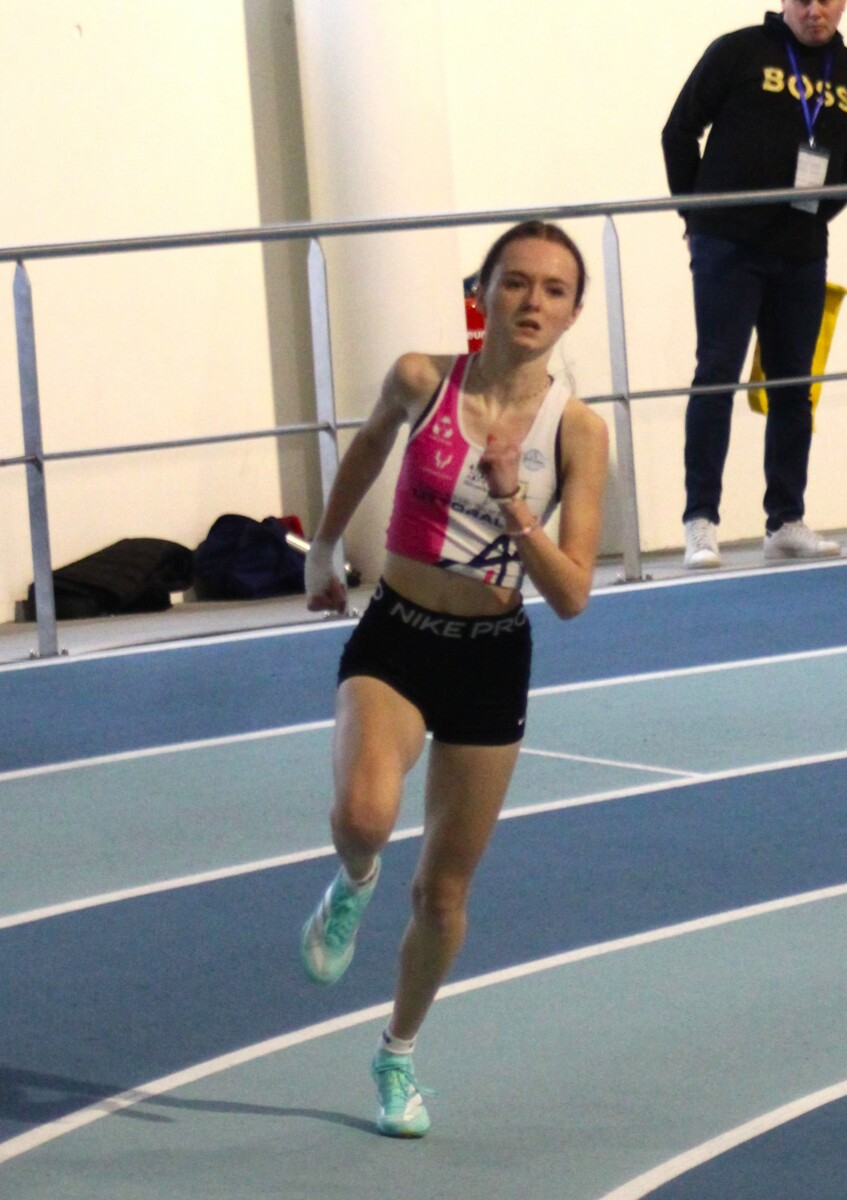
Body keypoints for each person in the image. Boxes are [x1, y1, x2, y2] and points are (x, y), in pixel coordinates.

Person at [299, 220, 608, 1138]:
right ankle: (352, 879)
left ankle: (396, 1054)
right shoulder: (421, 379)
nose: (532, 302)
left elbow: (572, 595)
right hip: (397, 634)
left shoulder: (578, 431)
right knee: (364, 817)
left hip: (489, 655)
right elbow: (365, 451)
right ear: (481, 293)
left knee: (441, 895)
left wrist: (513, 499)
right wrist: (322, 546)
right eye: (515, 282)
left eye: (554, 289)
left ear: (573, 312)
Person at [662, 0, 847, 569]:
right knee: (716, 374)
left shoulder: (845, 70)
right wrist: (695, 216)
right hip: (728, 245)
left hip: (802, 250)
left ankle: (785, 519)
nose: (815, 10)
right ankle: (701, 520)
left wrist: (818, 217)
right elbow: (678, 131)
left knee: (794, 384)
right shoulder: (739, 50)